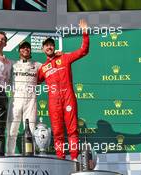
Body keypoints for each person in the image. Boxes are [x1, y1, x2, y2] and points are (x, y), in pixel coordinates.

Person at [38, 19, 89, 161]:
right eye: (46, 45)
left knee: (72, 130)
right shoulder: (42, 68)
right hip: (54, 102)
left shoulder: (65, 57)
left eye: (51, 45)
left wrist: (85, 32)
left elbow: (83, 51)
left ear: (54, 47)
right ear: (43, 49)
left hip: (68, 98)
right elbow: (33, 80)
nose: (49, 47)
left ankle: (74, 159)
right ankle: (60, 159)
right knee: (58, 132)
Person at [6, 41, 42, 155]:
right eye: (22, 48)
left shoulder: (38, 65)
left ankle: (31, 154)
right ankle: (9, 154)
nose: (25, 49)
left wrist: (58, 55)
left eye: (27, 47)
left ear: (30, 50)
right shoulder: (13, 64)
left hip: (31, 101)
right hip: (16, 100)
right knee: (12, 129)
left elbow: (51, 66)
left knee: (31, 129)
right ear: (19, 50)